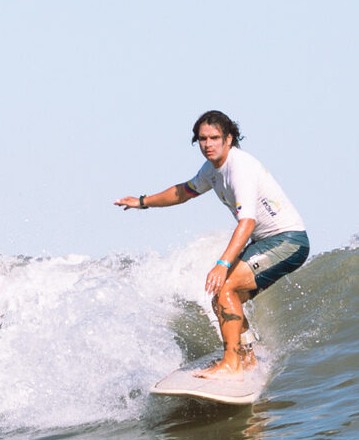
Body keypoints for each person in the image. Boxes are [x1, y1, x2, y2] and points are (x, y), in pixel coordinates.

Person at [114, 110, 309, 379]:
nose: (207, 144)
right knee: (224, 298)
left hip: (288, 240)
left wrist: (222, 263)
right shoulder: (212, 169)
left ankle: (231, 363)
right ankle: (247, 357)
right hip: (266, 241)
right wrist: (142, 202)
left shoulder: (239, 168)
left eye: (214, 138)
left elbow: (247, 223)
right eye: (202, 139)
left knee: (225, 286)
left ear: (229, 138)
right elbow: (183, 192)